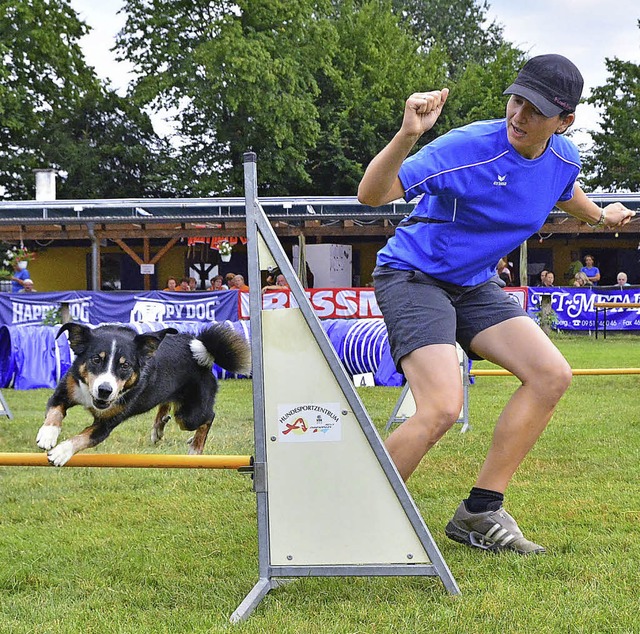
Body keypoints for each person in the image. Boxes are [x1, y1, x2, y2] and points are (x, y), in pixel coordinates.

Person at [357, 53, 635, 555]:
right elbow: (371, 195)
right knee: (442, 407)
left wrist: (601, 218)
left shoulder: (564, 156)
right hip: (414, 275)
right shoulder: (467, 148)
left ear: (564, 120)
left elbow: (564, 190)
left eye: (535, 109)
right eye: (516, 100)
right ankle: (352, 510)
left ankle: (479, 512)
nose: (519, 115)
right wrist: (407, 135)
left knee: (552, 374)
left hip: (473, 283)